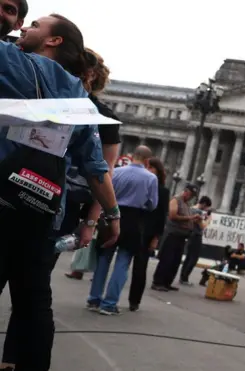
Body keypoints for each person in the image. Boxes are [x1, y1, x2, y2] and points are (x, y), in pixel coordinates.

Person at [0, 11, 119, 371]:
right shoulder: (78, 96)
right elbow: (96, 167)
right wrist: (111, 216)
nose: (24, 26)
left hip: (2, 198)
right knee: (34, 302)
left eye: (34, 25)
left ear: (54, 41)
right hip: (42, 206)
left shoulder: (11, 61)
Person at [64, 47, 121, 280]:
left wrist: (91, 221)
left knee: (32, 283)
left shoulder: (103, 116)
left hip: (62, 203)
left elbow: (102, 172)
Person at [87, 146, 158, 315]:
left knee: (104, 258)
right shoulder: (150, 178)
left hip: (113, 214)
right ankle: (109, 303)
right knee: (123, 261)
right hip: (134, 219)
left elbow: (105, 192)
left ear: (133, 156)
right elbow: (152, 204)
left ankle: (94, 298)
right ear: (147, 161)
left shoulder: (117, 172)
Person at [128, 157, 169, 312]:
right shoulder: (140, 183)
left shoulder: (163, 191)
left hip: (148, 233)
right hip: (133, 227)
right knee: (122, 262)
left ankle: (134, 301)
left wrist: (156, 238)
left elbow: (162, 216)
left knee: (140, 268)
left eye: (151, 168)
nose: (147, 171)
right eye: (146, 167)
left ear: (158, 171)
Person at [152, 184, 201, 292]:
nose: (191, 197)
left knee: (175, 261)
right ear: (186, 191)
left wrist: (193, 221)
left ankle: (167, 282)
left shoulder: (186, 204)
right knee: (166, 259)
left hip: (182, 236)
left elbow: (187, 219)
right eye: (191, 195)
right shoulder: (176, 200)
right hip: (172, 235)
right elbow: (172, 215)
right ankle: (158, 282)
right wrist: (190, 217)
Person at [179, 196, 213, 285]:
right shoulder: (198, 212)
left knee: (188, 257)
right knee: (193, 258)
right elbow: (203, 226)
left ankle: (182, 277)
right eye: (206, 207)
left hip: (190, 234)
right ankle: (185, 278)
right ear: (204, 204)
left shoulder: (191, 209)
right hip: (196, 236)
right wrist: (208, 220)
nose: (206, 209)